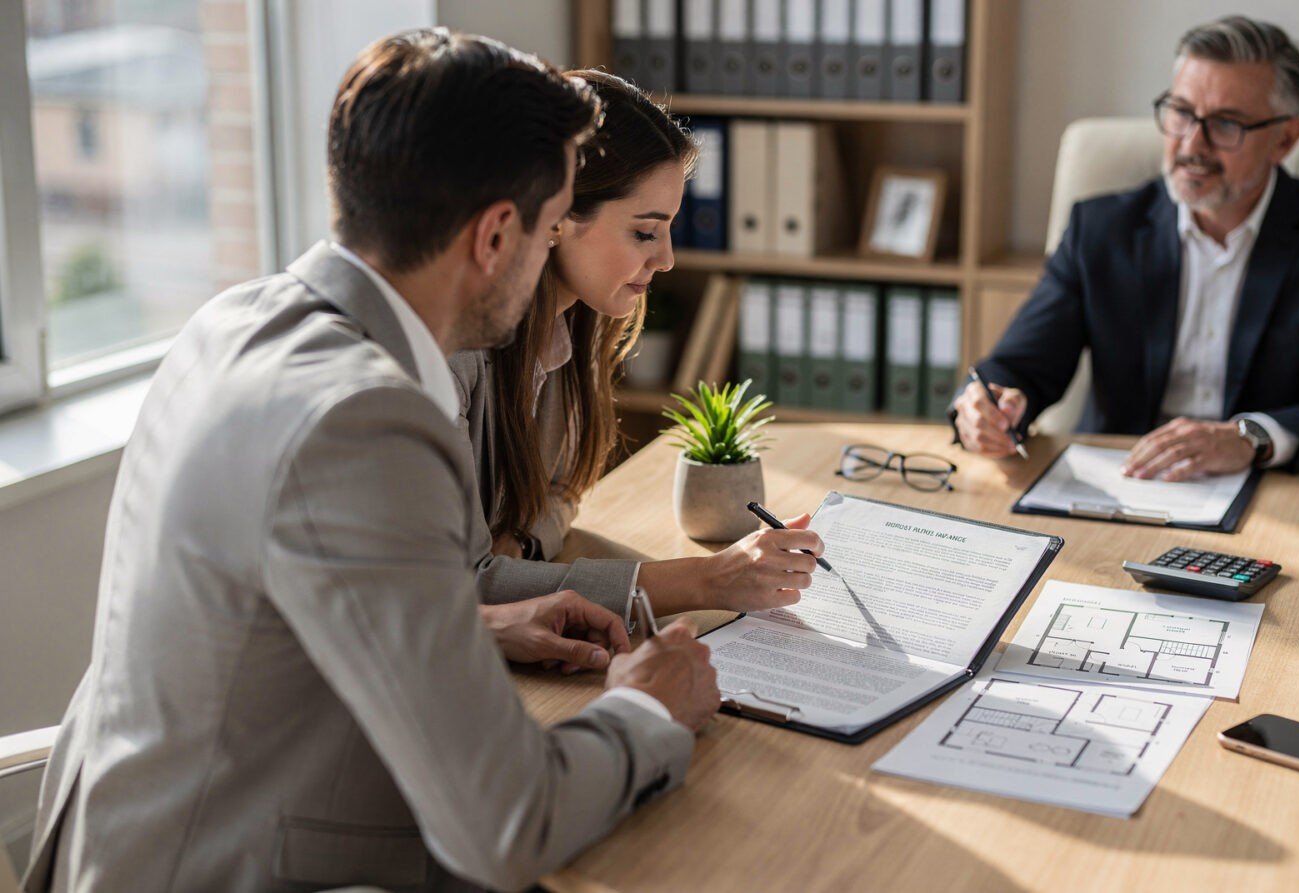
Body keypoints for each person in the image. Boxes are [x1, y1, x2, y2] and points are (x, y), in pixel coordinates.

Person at [24, 29, 721, 893]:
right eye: (548, 234)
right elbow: (507, 823)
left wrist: (468, 623)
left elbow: (266, 627)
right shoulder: (366, 419)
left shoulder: (231, 322)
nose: (549, 262)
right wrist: (645, 710)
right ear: (495, 236)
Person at [953, 16, 1299, 478]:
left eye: (1226, 124)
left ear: (1285, 138)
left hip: (1273, 493)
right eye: (1181, 113)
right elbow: (1018, 368)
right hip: (1121, 482)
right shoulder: (1101, 229)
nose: (1192, 144)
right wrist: (988, 409)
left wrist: (1251, 439)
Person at [451, 70, 823, 629]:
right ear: (555, 216)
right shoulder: (451, 352)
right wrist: (706, 579)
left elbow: (561, 494)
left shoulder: (570, 327)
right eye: (645, 233)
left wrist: (524, 545)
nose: (667, 259)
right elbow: (458, 586)